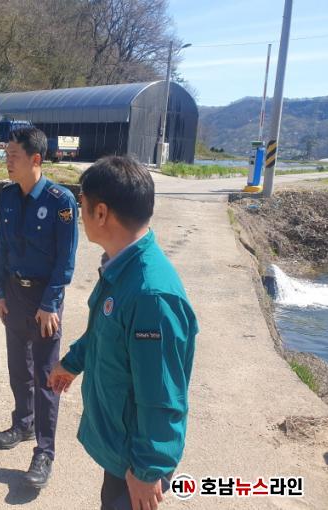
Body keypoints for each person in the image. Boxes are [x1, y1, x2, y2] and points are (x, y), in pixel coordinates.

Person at [47, 155, 198, 510]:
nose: (80, 214)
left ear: (101, 213)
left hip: (137, 461)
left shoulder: (150, 295)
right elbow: (103, 331)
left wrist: (148, 470)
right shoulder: (122, 267)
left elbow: (162, 394)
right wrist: (72, 363)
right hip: (122, 445)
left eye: (82, 205)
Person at [0, 127, 79, 489]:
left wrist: (50, 302)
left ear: (36, 159)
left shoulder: (61, 201)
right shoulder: (9, 196)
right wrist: (0, 292)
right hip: (14, 294)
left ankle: (44, 452)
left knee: (46, 376)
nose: (7, 161)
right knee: (18, 368)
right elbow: (1, 248)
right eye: (6, 154)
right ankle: (23, 423)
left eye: (14, 155)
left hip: (44, 300)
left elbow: (65, 260)